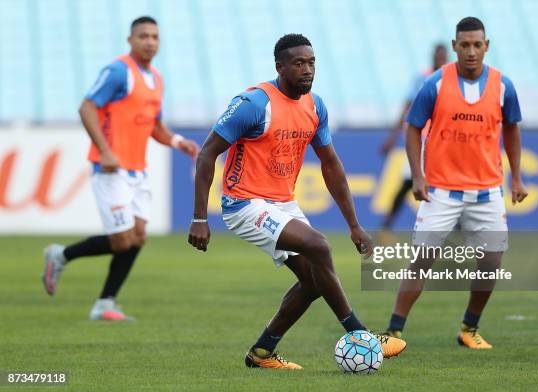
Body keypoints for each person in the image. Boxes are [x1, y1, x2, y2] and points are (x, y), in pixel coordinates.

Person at [188, 34, 406, 369]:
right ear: (280, 67)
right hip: (244, 203)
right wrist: (200, 217)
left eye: (312, 62)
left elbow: (331, 164)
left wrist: (354, 224)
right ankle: (360, 334)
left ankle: (261, 352)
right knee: (319, 246)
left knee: (314, 281)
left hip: (282, 203)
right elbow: (207, 155)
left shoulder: (315, 106)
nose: (308, 70)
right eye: (299, 63)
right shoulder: (254, 104)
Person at [42, 16, 198, 321]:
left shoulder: (156, 79)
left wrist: (180, 142)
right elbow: (86, 106)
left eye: (155, 36)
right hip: (110, 169)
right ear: (130, 40)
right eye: (143, 36)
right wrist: (105, 150)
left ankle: (105, 304)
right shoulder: (118, 71)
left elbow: (155, 127)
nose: (150, 41)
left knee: (138, 237)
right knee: (121, 241)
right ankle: (60, 255)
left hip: (137, 172)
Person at [384, 17, 528, 349]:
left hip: (487, 190)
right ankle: (393, 332)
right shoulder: (434, 84)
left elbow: (512, 130)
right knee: (422, 259)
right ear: (454, 46)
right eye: (465, 45)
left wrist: (517, 176)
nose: (471, 51)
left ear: (486, 46)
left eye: (478, 44)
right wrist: (417, 175)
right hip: (441, 191)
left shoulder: (504, 86)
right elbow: (412, 127)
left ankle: (469, 329)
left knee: (492, 261)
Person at [379, 44, 448, 230]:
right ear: (433, 56)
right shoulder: (422, 79)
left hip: (445, 141)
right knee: (408, 182)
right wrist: (392, 137)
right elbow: (407, 107)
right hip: (421, 139)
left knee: (448, 186)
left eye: (443, 56)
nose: (440, 59)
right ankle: (386, 225)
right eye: (438, 56)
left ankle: (454, 230)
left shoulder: (452, 79)